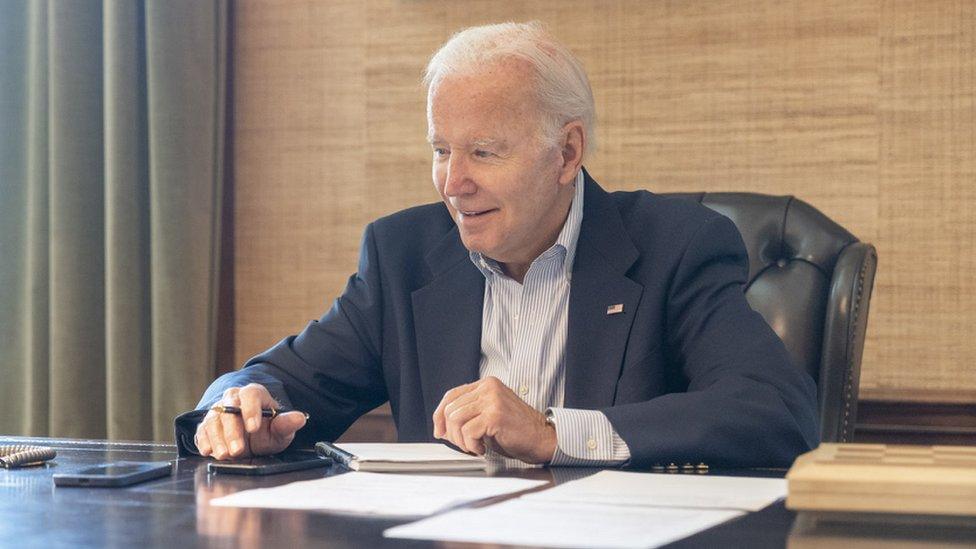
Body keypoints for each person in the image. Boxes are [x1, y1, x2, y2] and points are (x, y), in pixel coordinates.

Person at [175, 21, 818, 468]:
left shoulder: (676, 247)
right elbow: (275, 378)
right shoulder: (404, 255)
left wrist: (550, 434)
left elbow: (774, 413)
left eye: (483, 152)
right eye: (440, 150)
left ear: (566, 154)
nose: (453, 184)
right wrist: (239, 408)